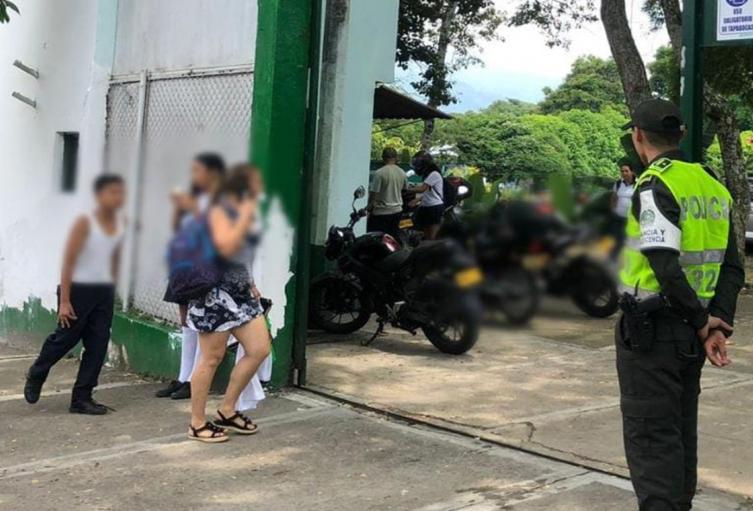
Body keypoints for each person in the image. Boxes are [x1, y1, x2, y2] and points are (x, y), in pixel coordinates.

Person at [616, 99, 744, 510]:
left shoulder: (655, 184)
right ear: (682, 135)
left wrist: (703, 322)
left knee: (652, 438)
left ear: (638, 136)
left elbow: (665, 266)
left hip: (654, 334)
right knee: (679, 432)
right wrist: (716, 322)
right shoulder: (712, 184)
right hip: (691, 334)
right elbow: (732, 266)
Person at [24, 174, 126, 415]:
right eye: (112, 192)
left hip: (103, 291)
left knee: (98, 344)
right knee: (65, 339)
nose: (118, 197)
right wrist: (65, 301)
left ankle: (82, 398)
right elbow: (68, 261)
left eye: (121, 193)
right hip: (79, 289)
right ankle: (37, 373)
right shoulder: (84, 223)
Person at [186, 164, 272, 443]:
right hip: (214, 296)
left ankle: (227, 409)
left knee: (259, 349)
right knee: (211, 358)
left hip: (241, 295)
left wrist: (251, 283)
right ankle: (197, 423)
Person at [157, 153, 226, 400]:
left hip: (206, 271)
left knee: (200, 325)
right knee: (185, 322)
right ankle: (183, 377)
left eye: (198, 170)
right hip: (184, 266)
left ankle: (193, 381)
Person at [366, 147, 407, 239]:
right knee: (393, 238)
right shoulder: (402, 172)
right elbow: (405, 189)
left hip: (381, 213)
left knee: (376, 239)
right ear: (396, 157)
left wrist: (368, 209)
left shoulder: (379, 173)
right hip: (397, 211)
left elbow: (374, 195)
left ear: (383, 158)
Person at [409, 150, 444, 240]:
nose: (417, 167)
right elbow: (428, 192)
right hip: (427, 206)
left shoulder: (434, 174)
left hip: (434, 207)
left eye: (418, 164)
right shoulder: (428, 175)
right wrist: (417, 200)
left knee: (432, 236)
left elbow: (422, 189)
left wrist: (405, 188)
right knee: (426, 234)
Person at [609, 159, 637, 252]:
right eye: (622, 171)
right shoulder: (618, 184)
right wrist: (612, 211)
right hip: (618, 216)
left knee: (629, 240)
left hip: (631, 218)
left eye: (626, 171)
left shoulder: (638, 184)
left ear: (632, 172)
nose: (624, 173)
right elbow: (614, 197)